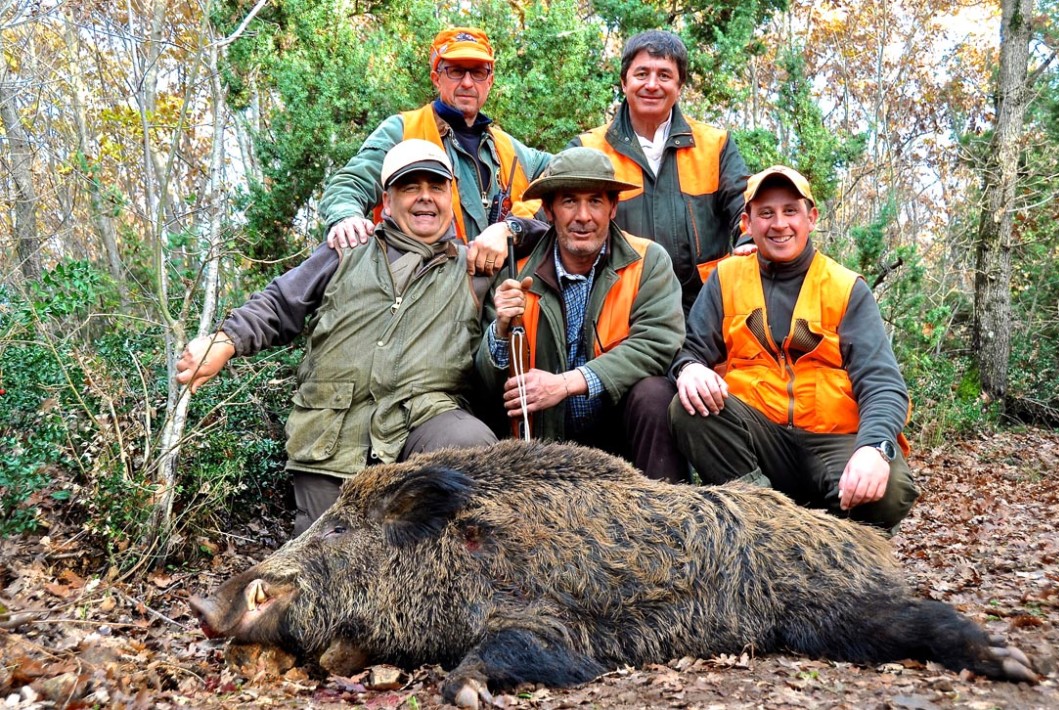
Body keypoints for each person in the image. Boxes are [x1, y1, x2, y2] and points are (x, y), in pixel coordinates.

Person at [177, 140, 497, 535]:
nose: (425, 198)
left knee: (467, 444)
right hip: (333, 434)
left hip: (423, 424)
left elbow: (555, 234)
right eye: (410, 187)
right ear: (387, 199)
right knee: (321, 562)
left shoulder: (474, 267)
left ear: (452, 195)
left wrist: (509, 227)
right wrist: (224, 343)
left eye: (436, 187)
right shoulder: (348, 250)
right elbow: (280, 302)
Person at [669, 165, 918, 533]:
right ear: (747, 223)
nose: (779, 224)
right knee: (687, 408)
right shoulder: (726, 279)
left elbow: (882, 384)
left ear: (811, 218)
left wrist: (874, 448)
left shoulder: (845, 288)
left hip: (833, 439)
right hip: (761, 439)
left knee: (891, 490)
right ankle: (772, 526)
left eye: (790, 211)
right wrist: (689, 369)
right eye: (766, 213)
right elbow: (690, 349)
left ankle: (839, 531)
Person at [476, 147, 687, 482]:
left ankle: (666, 519)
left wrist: (565, 384)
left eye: (596, 201)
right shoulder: (514, 271)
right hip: (542, 445)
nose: (583, 216)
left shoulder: (648, 261)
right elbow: (486, 385)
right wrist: (500, 331)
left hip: (620, 437)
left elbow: (658, 343)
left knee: (655, 395)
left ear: (613, 207)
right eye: (570, 201)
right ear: (549, 210)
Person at [320, 26, 552, 274]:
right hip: (419, 294)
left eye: (477, 72)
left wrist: (514, 225)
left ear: (490, 81)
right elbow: (350, 182)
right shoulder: (402, 130)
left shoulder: (510, 148)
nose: (467, 82)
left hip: (500, 301)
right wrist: (346, 218)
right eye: (455, 71)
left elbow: (566, 170)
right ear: (436, 78)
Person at [570, 29, 751, 315]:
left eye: (664, 75)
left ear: (679, 87)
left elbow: (747, 205)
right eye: (641, 74)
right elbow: (547, 212)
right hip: (618, 310)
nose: (652, 85)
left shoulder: (715, 145)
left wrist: (749, 243)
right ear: (624, 82)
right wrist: (511, 229)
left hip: (704, 309)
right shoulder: (589, 148)